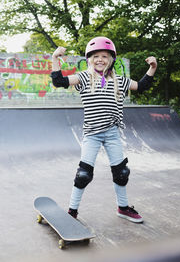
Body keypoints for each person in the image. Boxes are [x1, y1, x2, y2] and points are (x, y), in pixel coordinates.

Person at [51, 36, 157, 223]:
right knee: (83, 174)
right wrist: (55, 59)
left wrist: (152, 68)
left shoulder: (120, 81)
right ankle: (72, 212)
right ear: (89, 59)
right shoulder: (83, 77)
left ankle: (123, 208)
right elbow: (58, 81)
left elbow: (141, 86)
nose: (100, 59)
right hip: (92, 134)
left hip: (112, 134)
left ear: (111, 60)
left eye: (105, 56)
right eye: (96, 56)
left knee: (121, 172)